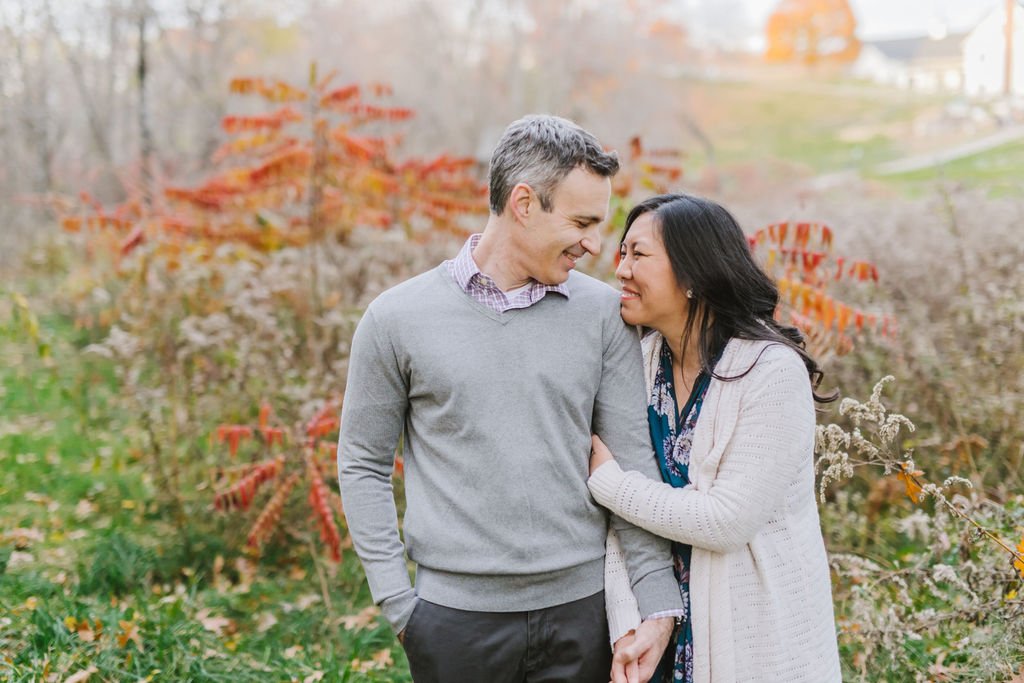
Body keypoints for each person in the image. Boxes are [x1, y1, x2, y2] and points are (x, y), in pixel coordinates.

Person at [337, 115, 684, 682]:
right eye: (582, 221)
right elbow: (362, 463)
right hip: (453, 623)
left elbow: (632, 466)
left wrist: (656, 605)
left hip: (584, 616)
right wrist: (399, 606)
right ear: (524, 204)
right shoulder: (396, 319)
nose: (596, 245)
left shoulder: (603, 315)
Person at [588, 193, 843, 683]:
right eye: (622, 253)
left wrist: (609, 483)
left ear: (692, 275)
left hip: (755, 641)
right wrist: (627, 625)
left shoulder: (769, 373)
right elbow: (619, 526)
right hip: (658, 636)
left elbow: (727, 520)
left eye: (638, 254)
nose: (620, 269)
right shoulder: (637, 365)